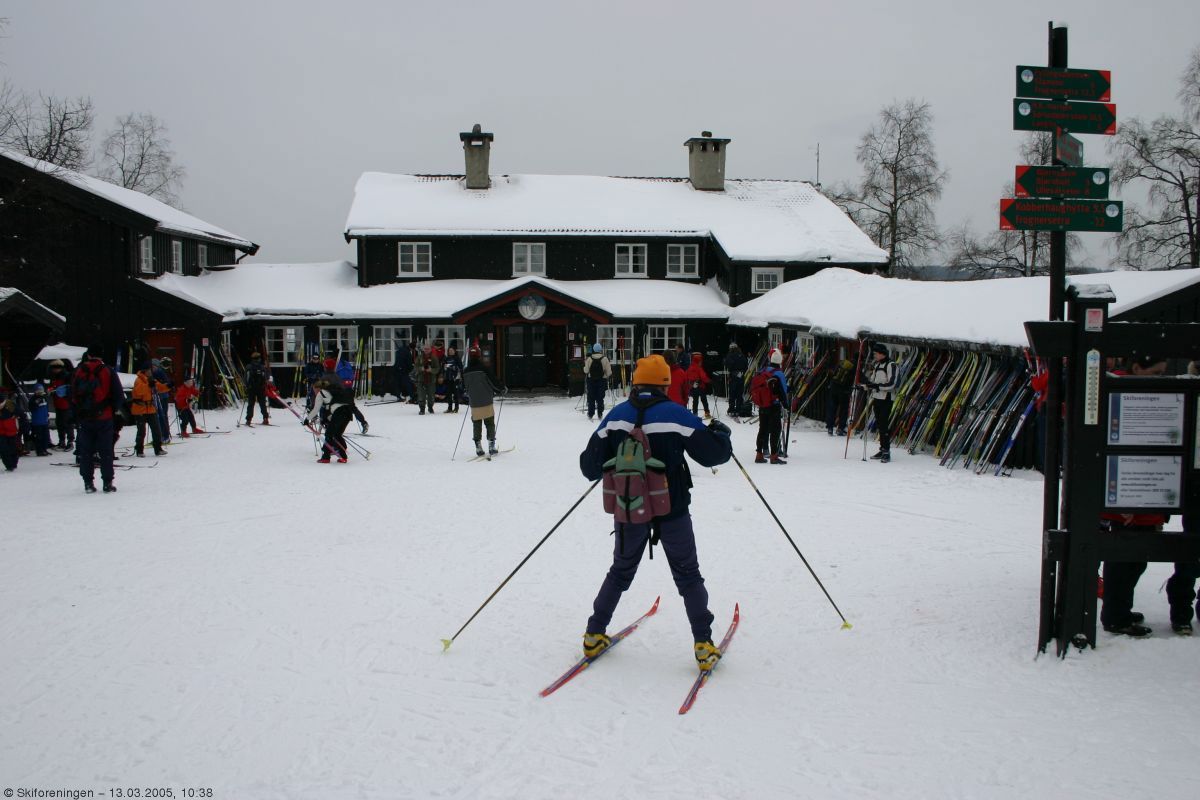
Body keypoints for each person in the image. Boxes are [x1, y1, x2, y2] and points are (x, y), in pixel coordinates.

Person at [578, 354, 733, 671]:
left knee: (620, 571)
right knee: (688, 574)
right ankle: (703, 644)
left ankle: (594, 634)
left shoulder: (617, 415)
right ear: (665, 383)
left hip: (629, 507)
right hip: (672, 508)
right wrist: (721, 435)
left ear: (636, 383)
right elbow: (713, 455)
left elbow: (589, 467)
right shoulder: (676, 414)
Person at [1100, 355, 1196, 637]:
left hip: (1142, 498)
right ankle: (1116, 616)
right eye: (1155, 372)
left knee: (1135, 560)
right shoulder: (1122, 396)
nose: (1159, 378)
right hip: (1128, 500)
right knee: (1123, 560)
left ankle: (1119, 609)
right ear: (1138, 369)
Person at [70, 344, 125, 493]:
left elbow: (73, 394)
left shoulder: (79, 371)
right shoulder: (108, 371)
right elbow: (119, 395)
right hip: (104, 416)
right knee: (105, 450)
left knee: (86, 451)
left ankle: (88, 482)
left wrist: (78, 412)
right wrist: (111, 409)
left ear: (88, 355)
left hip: (85, 417)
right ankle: (107, 482)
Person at [462, 347, 505, 456]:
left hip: (474, 401)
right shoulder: (484, 369)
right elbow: (493, 381)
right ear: (479, 356)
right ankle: (491, 445)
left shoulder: (466, 371)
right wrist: (501, 388)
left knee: (476, 423)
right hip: (486, 399)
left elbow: (464, 386)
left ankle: (478, 446)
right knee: (489, 423)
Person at [860, 343, 896, 463]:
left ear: (882, 353)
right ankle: (882, 449)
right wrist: (868, 385)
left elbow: (893, 384)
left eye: (876, 353)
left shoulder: (891, 365)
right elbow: (874, 381)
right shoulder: (877, 365)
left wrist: (877, 386)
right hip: (877, 398)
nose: (874, 355)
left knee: (884, 425)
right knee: (880, 425)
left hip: (887, 398)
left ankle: (886, 451)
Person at [752, 348, 788, 464]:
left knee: (762, 429)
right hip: (774, 405)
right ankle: (774, 456)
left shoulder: (763, 371)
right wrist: (786, 404)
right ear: (780, 362)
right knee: (775, 430)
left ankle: (759, 454)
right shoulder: (779, 374)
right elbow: (783, 390)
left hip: (763, 404)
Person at [305, 379, 353, 463]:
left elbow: (316, 409)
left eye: (314, 390)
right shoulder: (332, 391)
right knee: (337, 435)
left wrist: (307, 419)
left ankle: (326, 457)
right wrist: (325, 419)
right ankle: (343, 456)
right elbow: (331, 407)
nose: (314, 392)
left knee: (329, 434)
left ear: (318, 388)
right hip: (348, 413)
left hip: (339, 413)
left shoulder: (321, 393)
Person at [131, 361, 168, 457]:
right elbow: (138, 392)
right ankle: (139, 450)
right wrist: (149, 385)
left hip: (151, 408)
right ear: (145, 371)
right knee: (141, 431)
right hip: (140, 409)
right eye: (149, 370)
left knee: (156, 430)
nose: (151, 371)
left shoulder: (151, 379)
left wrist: (169, 386)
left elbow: (159, 387)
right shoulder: (138, 380)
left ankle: (158, 448)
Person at [46, 359, 74, 450]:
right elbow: (52, 386)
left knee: (68, 423)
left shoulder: (67, 376)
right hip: (58, 403)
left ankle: (70, 442)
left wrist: (58, 390)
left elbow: (69, 389)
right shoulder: (54, 377)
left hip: (66, 403)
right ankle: (61, 441)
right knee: (59, 423)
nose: (53, 370)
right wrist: (50, 390)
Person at [825, 359, 854, 436]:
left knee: (832, 408)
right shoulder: (854, 368)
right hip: (844, 391)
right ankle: (840, 429)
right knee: (843, 410)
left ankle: (830, 428)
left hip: (834, 388)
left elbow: (833, 372)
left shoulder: (841, 363)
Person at [583, 343, 612, 422]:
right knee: (600, 397)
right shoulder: (605, 359)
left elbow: (586, 370)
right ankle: (600, 413)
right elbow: (609, 372)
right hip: (601, 381)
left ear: (593, 349)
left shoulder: (589, 359)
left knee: (591, 397)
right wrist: (605, 375)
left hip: (591, 381)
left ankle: (590, 413)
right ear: (600, 349)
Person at [244, 352, 271, 425]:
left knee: (250, 404)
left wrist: (246, 387)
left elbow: (246, 378)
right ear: (259, 358)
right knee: (262, 404)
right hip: (261, 388)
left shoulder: (248, 367)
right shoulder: (262, 367)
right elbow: (266, 378)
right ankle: (265, 418)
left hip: (251, 388)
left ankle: (248, 420)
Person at [412, 344, 439, 415]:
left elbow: (437, 368)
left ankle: (430, 407)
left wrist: (431, 370)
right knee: (421, 395)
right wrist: (421, 368)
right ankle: (422, 409)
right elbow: (415, 367)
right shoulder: (419, 357)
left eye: (428, 349)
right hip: (421, 379)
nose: (426, 350)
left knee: (431, 396)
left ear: (430, 349)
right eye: (425, 349)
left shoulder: (434, 358)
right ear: (423, 350)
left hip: (431, 380)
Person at [685, 352, 712, 420]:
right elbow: (703, 377)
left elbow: (686, 376)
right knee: (704, 400)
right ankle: (707, 413)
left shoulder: (690, 367)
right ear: (699, 360)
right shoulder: (699, 368)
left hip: (693, 386)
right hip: (700, 386)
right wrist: (709, 381)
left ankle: (695, 414)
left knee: (695, 400)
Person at [153, 357, 174, 443]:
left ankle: (164, 436)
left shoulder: (159, 372)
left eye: (154, 366)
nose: (152, 368)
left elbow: (166, 383)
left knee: (162, 416)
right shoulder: (157, 372)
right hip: (159, 396)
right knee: (159, 416)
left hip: (162, 396)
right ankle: (162, 435)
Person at [724, 343, 748, 417]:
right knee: (739, 393)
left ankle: (731, 409)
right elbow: (746, 365)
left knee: (732, 393)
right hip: (741, 376)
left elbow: (728, 364)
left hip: (733, 376)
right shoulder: (742, 355)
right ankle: (738, 409)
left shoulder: (730, 355)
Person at [28, 383, 52, 456]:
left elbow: (45, 408)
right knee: (39, 437)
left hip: (44, 420)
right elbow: (31, 408)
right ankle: (39, 451)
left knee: (45, 436)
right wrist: (36, 402)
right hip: (37, 421)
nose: (40, 392)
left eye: (41, 390)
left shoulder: (44, 398)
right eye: (38, 390)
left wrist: (47, 415)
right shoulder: (33, 399)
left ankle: (44, 449)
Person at [441, 345, 464, 413]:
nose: (450, 352)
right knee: (448, 394)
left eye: (452, 350)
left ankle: (456, 408)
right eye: (449, 351)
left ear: (454, 351)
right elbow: (443, 367)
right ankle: (449, 408)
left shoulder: (457, 358)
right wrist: (444, 367)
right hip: (448, 378)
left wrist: (454, 368)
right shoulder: (446, 358)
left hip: (455, 379)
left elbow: (461, 368)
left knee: (456, 394)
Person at [0, 390, 19, 471]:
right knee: (3, 449)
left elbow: (20, 413)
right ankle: (9, 465)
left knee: (13, 448)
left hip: (11, 430)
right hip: (1, 432)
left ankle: (13, 464)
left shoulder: (10, 404)